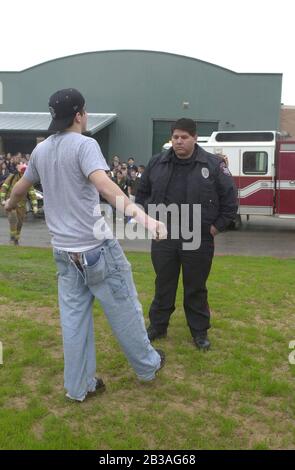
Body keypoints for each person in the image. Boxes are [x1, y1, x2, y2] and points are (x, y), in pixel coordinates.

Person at [5, 88, 167, 402]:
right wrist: (147, 220)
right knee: (125, 313)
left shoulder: (41, 150)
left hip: (64, 253)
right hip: (97, 250)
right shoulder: (85, 145)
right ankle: (148, 366)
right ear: (79, 114)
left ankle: (79, 388)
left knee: (74, 321)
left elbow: (21, 188)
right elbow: (106, 187)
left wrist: (10, 203)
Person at [136, 118, 237, 350]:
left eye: (184, 137)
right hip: (164, 236)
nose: (179, 142)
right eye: (175, 137)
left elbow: (230, 202)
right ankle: (158, 326)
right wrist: (149, 222)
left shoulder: (212, 165)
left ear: (194, 138)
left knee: (196, 286)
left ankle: (199, 332)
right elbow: (141, 196)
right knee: (163, 283)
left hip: (198, 238)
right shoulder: (156, 163)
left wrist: (214, 228)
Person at [1, 162, 38, 245]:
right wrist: (2, 199)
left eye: (24, 172)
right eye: (22, 172)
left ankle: (16, 239)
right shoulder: (12, 177)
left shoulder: (27, 180)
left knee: (20, 223)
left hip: (22, 205)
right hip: (11, 203)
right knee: (13, 219)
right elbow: (4, 187)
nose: (23, 174)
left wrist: (35, 205)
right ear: (19, 172)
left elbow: (32, 193)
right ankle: (12, 238)